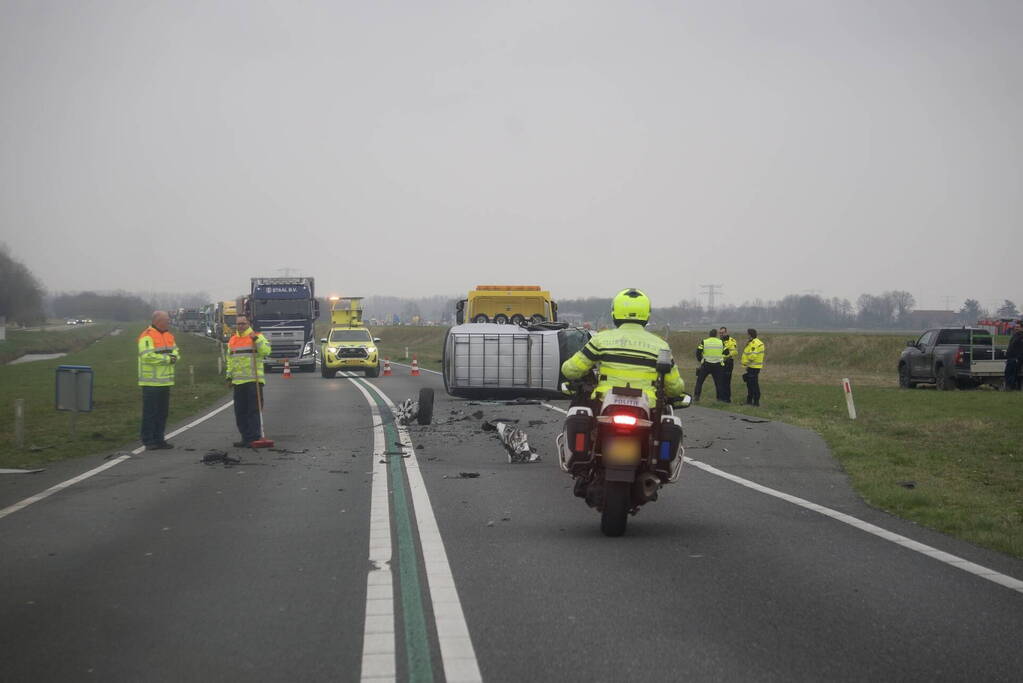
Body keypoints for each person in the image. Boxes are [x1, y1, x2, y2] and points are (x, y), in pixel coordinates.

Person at [561, 288, 685, 408]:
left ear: (614, 313)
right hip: (648, 407)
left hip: (603, 402)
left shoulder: (600, 340)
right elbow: (675, 388)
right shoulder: (661, 346)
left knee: (579, 414)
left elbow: (570, 370)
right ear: (647, 315)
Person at [225, 315, 272, 446]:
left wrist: (256, 340)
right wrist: (229, 376)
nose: (240, 326)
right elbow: (230, 360)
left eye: (243, 324)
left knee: (253, 410)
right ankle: (245, 437)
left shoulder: (257, 336)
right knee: (240, 412)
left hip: (253, 381)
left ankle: (254, 437)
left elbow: (266, 351)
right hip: (238, 382)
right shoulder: (233, 340)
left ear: (248, 324)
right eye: (238, 324)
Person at [138, 310, 180, 450]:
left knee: (162, 412)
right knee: (150, 413)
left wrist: (173, 358)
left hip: (165, 381)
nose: (169, 322)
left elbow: (176, 352)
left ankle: (159, 439)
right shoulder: (147, 336)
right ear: (158, 321)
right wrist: (168, 359)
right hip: (150, 382)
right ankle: (148, 440)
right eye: (166, 320)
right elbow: (147, 356)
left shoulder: (169, 335)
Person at [693, 328, 726, 402]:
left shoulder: (704, 341)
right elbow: (726, 352)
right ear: (716, 335)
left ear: (709, 334)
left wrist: (700, 360)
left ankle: (696, 397)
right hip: (717, 365)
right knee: (718, 383)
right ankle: (719, 399)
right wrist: (721, 358)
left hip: (706, 364)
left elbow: (698, 352)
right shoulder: (721, 342)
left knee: (700, 381)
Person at [741, 328, 766, 406]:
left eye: (747, 334)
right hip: (751, 366)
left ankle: (756, 402)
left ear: (750, 335)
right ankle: (749, 401)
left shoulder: (755, 343)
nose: (747, 336)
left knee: (754, 385)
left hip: (754, 367)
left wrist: (746, 362)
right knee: (750, 384)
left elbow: (752, 356)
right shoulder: (753, 342)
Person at [719, 326, 738, 403]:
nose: (721, 334)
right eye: (720, 333)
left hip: (728, 363)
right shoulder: (718, 341)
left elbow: (734, 352)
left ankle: (727, 399)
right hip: (719, 363)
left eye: (722, 333)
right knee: (720, 381)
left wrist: (725, 356)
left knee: (727, 381)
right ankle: (721, 398)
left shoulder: (731, 341)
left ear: (726, 332)